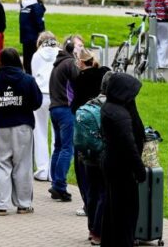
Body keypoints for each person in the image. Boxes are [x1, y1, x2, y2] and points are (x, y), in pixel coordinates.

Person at [0, 48, 43, 216]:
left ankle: (1, 205)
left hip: (0, 125)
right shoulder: (28, 80)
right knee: (23, 165)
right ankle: (23, 204)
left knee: (0, 164)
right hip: (22, 125)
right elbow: (37, 102)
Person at [100, 73, 146, 247]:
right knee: (126, 213)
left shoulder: (110, 108)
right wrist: (139, 170)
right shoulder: (120, 115)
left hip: (112, 164)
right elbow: (129, 145)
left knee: (113, 211)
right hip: (122, 168)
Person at [73, 57, 111, 242]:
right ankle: (98, 231)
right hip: (102, 156)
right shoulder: (109, 108)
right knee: (104, 192)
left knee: (92, 191)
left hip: (87, 155)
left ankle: (91, 230)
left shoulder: (89, 105)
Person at [47, 34, 84, 201]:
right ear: (70, 48)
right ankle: (59, 185)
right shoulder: (69, 63)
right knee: (67, 148)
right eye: (78, 46)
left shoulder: (59, 62)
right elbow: (80, 80)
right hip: (65, 109)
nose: (81, 50)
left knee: (59, 146)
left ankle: (55, 181)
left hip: (55, 108)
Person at [31, 31, 59, 182]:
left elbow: (35, 76)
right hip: (56, 95)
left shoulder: (37, 55)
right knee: (56, 134)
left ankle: (42, 169)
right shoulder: (60, 52)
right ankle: (54, 172)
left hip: (41, 94)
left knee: (40, 132)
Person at [19, 0, 46, 75]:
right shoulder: (35, 6)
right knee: (34, 56)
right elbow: (39, 21)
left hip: (25, 35)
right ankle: (33, 73)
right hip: (34, 36)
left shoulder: (24, 5)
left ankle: (27, 72)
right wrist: (42, 32)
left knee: (26, 56)